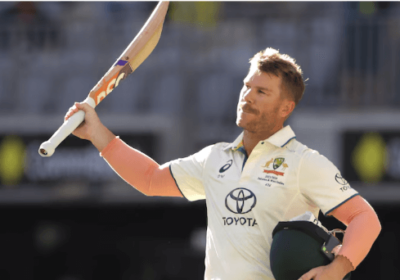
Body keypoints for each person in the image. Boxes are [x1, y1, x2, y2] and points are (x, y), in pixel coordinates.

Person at [65, 48, 381, 280]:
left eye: (261, 92)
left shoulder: (304, 162)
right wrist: (97, 134)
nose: (247, 96)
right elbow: (150, 179)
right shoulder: (215, 157)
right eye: (246, 86)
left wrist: (338, 268)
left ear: (286, 107)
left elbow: (365, 218)